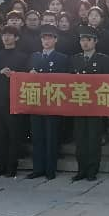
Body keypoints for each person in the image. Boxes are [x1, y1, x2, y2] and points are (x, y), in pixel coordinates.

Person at [0, 25, 29, 178]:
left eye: (10, 35)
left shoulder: (23, 57)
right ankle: (0, 166)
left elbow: (28, 77)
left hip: (14, 100)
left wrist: (15, 75)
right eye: (4, 35)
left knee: (14, 135)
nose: (6, 38)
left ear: (16, 38)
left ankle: (12, 166)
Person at [26, 25, 69, 180]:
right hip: (36, 100)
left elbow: (65, 80)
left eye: (50, 38)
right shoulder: (34, 56)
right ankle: (38, 168)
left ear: (55, 40)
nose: (46, 41)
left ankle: (50, 169)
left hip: (52, 101)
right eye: (44, 38)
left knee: (51, 136)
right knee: (37, 136)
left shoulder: (62, 58)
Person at [69, 27, 109, 181]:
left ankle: (92, 169)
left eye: (88, 40)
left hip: (96, 105)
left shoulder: (104, 59)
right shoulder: (74, 59)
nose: (85, 43)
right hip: (79, 104)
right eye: (82, 40)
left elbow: (108, 82)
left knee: (94, 139)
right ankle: (81, 169)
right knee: (80, 139)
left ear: (95, 41)